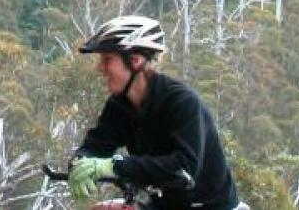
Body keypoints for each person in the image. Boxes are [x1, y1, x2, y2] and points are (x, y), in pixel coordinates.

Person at [69, 16, 248, 210]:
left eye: (107, 60)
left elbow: (184, 166)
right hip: (161, 204)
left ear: (135, 61)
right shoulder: (119, 106)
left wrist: (114, 167)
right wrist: (80, 163)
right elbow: (95, 146)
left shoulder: (182, 103)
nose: (100, 68)